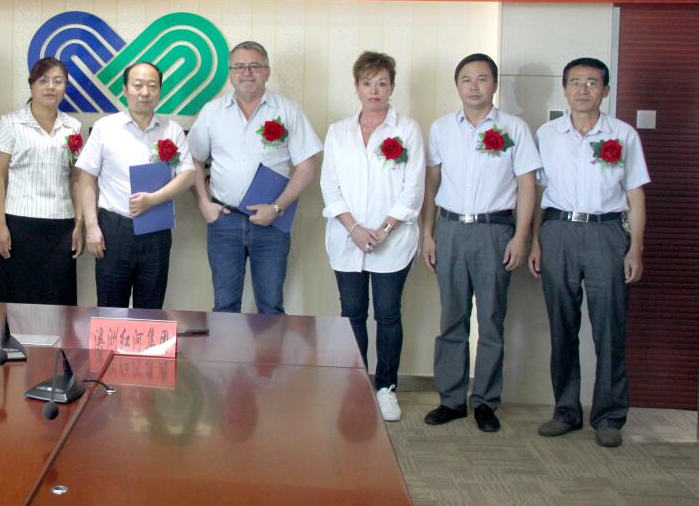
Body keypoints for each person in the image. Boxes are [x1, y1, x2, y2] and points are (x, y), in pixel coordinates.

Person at [528, 57, 649, 448]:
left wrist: (635, 247)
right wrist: (535, 241)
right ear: (565, 89)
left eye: (592, 82)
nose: (583, 89)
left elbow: (635, 193)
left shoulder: (623, 135)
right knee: (562, 326)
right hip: (558, 231)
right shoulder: (547, 134)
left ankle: (609, 416)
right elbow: (537, 192)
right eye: (575, 82)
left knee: (609, 327)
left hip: (606, 232)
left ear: (605, 90)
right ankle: (565, 410)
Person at [421, 53, 540, 433]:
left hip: (495, 231)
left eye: (482, 78)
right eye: (466, 79)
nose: (474, 86)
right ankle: (451, 399)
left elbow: (527, 185)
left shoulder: (514, 128)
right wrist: (428, 233)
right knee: (451, 319)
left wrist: (521, 236)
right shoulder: (441, 128)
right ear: (457, 85)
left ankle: (486, 401)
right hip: (451, 230)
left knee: (490, 320)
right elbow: (432, 183)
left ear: (495, 84)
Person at [320, 51, 424, 422]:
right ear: (356, 87)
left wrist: (385, 229)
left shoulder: (407, 129)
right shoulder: (338, 131)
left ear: (392, 86)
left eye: (382, 82)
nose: (374, 90)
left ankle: (386, 388)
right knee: (352, 313)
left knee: (388, 314)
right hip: (347, 238)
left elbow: (414, 186)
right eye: (367, 83)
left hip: (392, 240)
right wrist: (354, 228)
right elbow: (329, 185)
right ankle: (356, 384)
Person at [188, 41, 322, 314]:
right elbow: (194, 160)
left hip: (272, 224)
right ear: (230, 73)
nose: (246, 72)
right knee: (224, 306)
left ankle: (268, 348)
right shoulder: (212, 112)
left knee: (271, 307)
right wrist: (203, 204)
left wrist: (277, 208)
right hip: (224, 221)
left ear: (267, 72)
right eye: (239, 66)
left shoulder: (288, 111)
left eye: (254, 66)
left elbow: (307, 167)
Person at [74, 62, 195, 309]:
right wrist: (92, 226)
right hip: (114, 229)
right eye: (138, 85)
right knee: (110, 307)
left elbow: (188, 174)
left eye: (152, 86)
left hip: (157, 229)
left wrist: (153, 199)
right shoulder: (106, 128)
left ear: (159, 91)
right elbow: (86, 177)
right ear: (125, 89)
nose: (145, 92)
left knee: (151, 307)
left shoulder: (171, 130)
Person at [0, 57, 85, 305]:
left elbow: (77, 179)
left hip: (61, 224)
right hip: (19, 224)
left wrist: (79, 223)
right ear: (31, 84)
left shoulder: (72, 127)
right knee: (18, 297)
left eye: (58, 81)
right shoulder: (11, 122)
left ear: (65, 87)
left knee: (58, 299)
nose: (50, 87)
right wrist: (0, 226)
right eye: (43, 80)